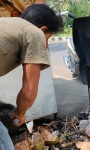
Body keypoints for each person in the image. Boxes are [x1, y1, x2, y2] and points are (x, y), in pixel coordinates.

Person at [0, 4, 63, 150]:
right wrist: (20, 113)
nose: (45, 45)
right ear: (43, 30)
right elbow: (29, 90)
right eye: (47, 39)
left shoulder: (7, 26)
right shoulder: (35, 33)